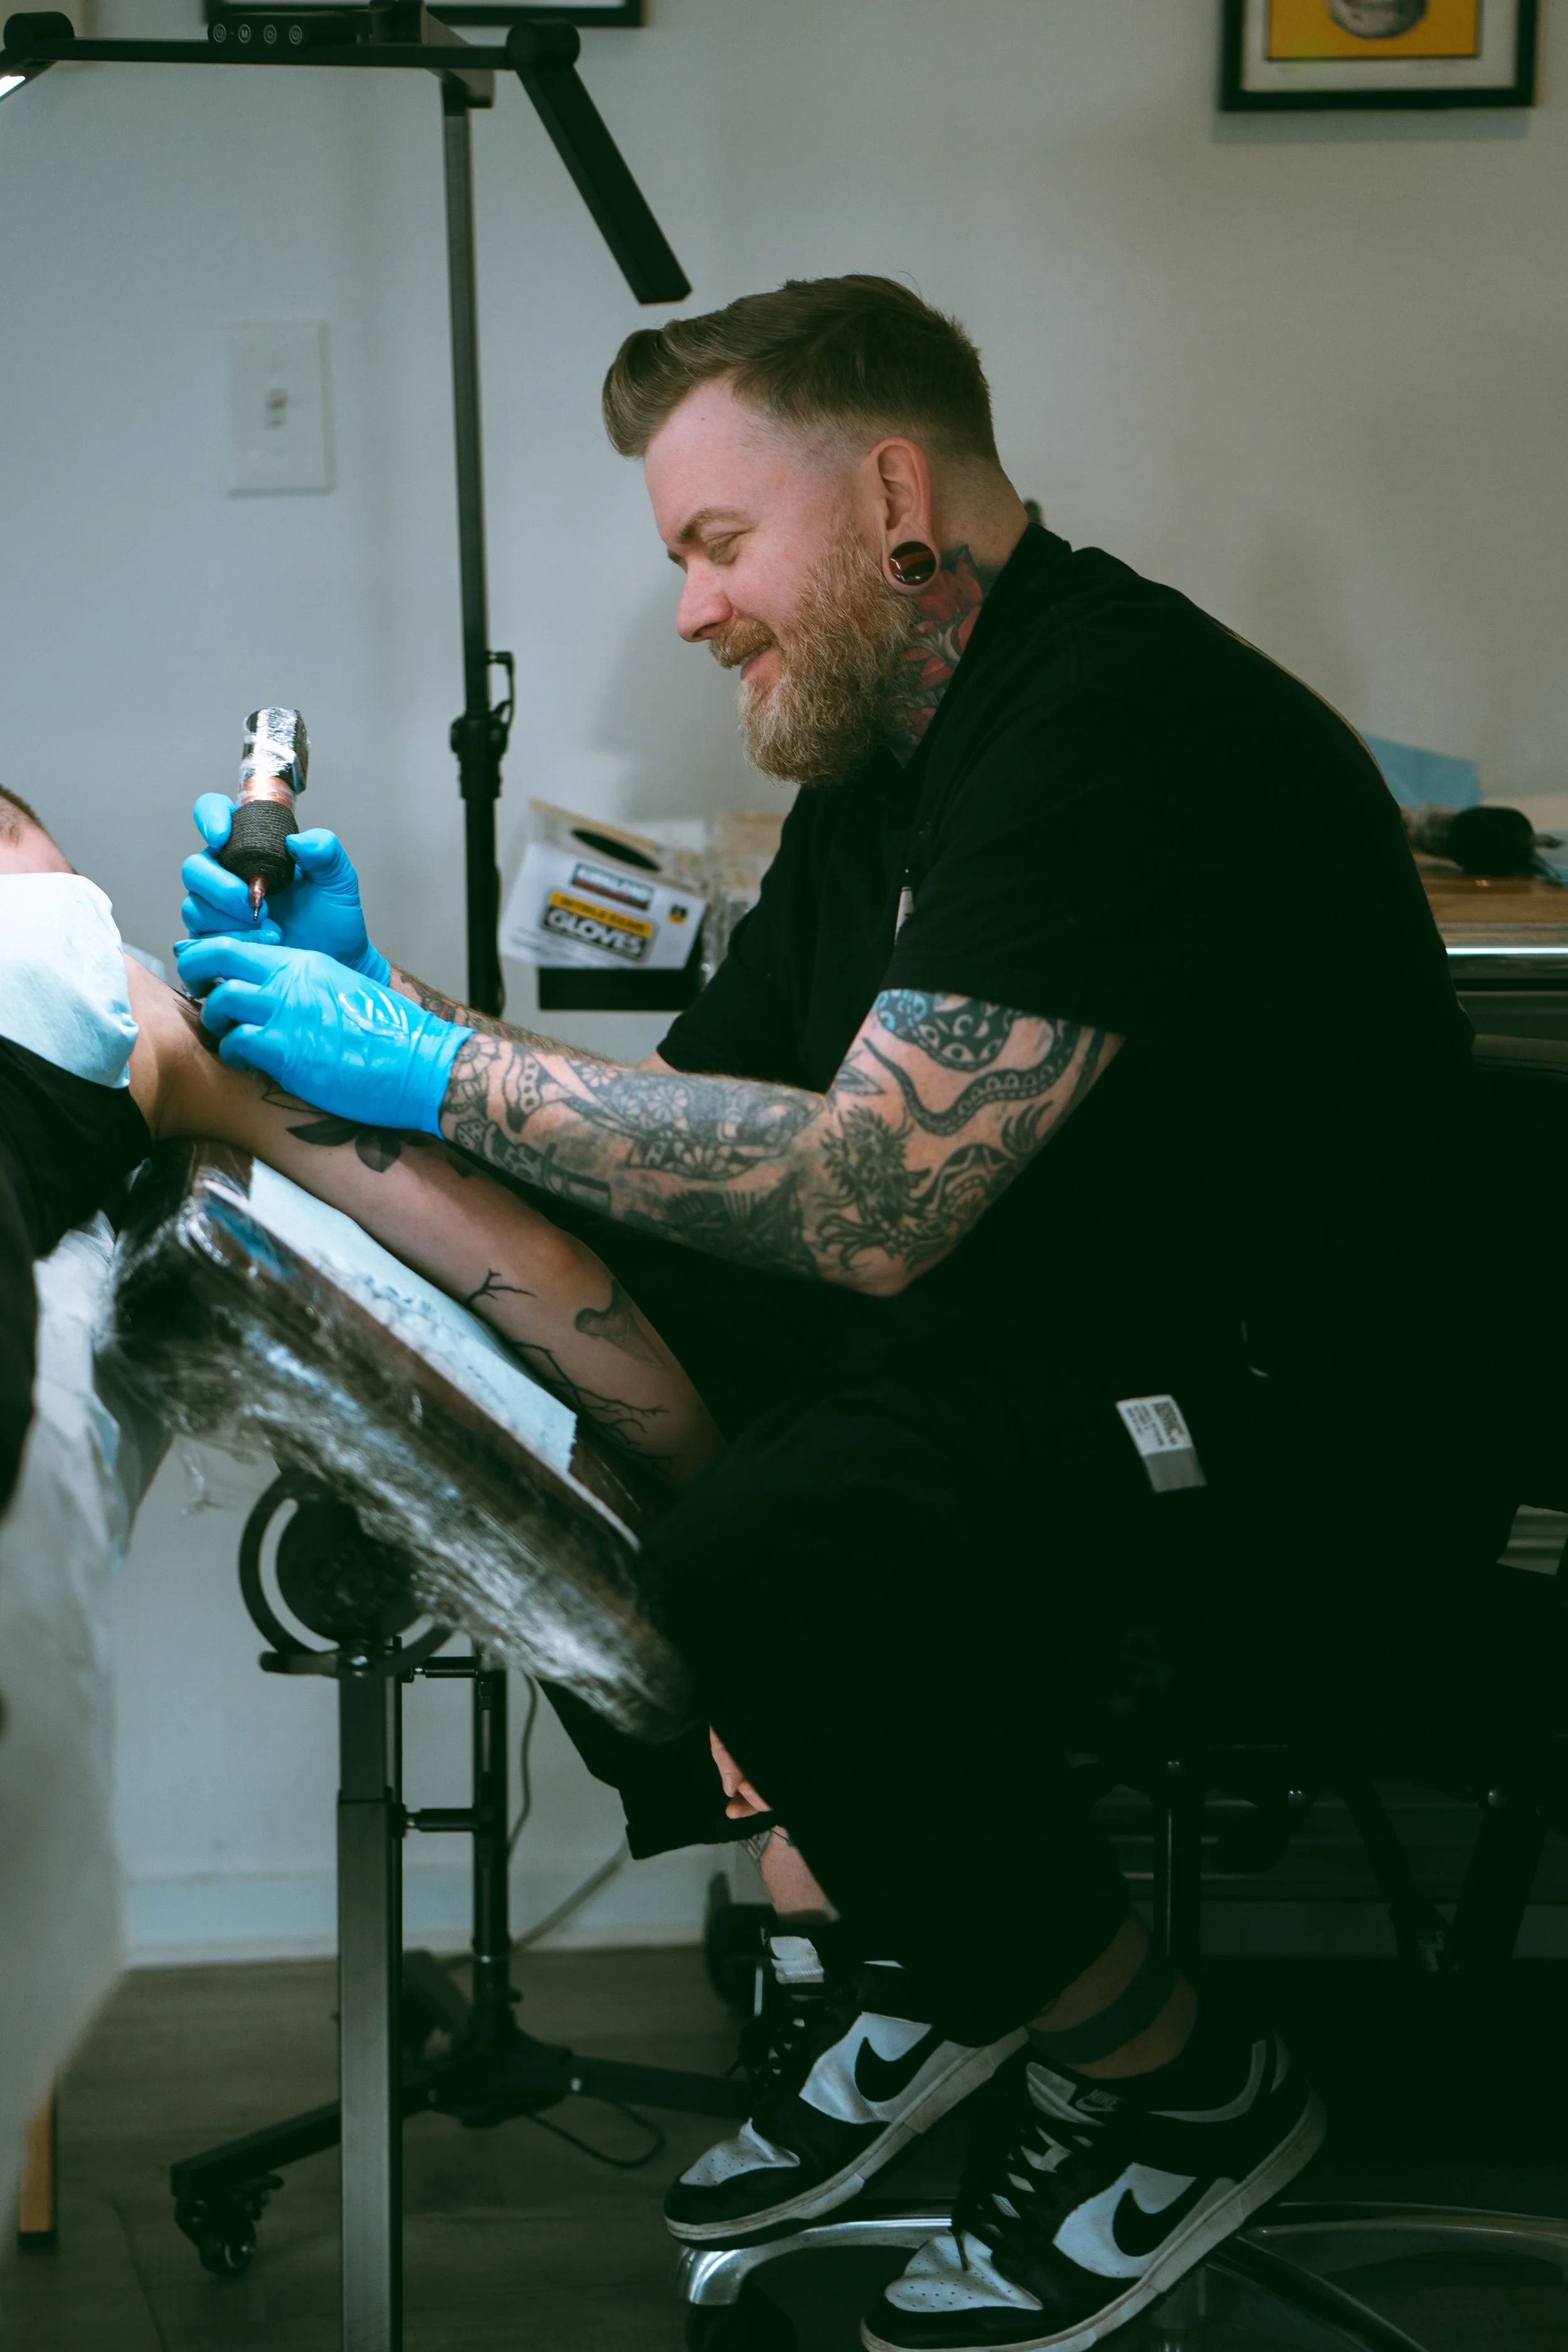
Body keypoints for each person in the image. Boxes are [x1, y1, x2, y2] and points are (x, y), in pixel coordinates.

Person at [175, 275, 1495, 2351]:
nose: (692, 610)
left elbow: (869, 1201)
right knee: (585, 1365)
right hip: (1074, 1340)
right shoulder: (883, 760)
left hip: (1307, 1427)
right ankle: (932, 1940)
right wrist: (395, 1007)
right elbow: (693, 1157)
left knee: (774, 1546)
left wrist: (425, 1072)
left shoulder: (1114, 724)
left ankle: (1181, 2084)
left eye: (716, 544)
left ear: (892, 497)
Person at [0, 783, 722, 1508]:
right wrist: (715, 1488)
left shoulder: (107, 987)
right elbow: (539, 1265)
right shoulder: (89, 958)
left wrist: (410, 1031)